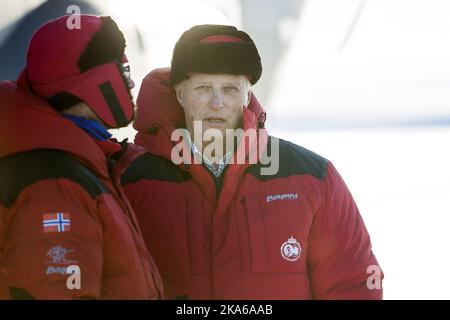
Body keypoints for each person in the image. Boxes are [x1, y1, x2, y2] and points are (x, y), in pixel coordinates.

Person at [119, 24, 383, 299]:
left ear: (247, 95)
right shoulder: (130, 181)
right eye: (203, 88)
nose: (217, 102)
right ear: (180, 94)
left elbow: (352, 284)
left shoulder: (313, 178)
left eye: (230, 89)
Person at [0, 14, 163, 299]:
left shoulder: (80, 158)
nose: (133, 84)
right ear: (93, 83)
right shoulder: (56, 182)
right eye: (124, 72)